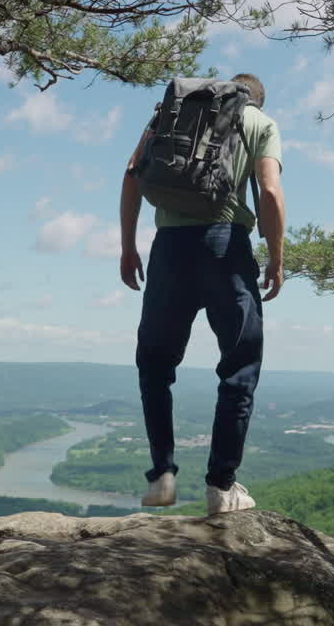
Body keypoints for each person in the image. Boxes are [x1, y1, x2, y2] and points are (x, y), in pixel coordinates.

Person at [118, 73, 286, 516]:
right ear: (257, 99)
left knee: (155, 363)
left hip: (169, 249)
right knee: (239, 365)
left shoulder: (176, 112)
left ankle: (162, 475)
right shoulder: (260, 124)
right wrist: (277, 258)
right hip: (225, 247)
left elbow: (133, 173)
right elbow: (269, 191)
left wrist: (127, 247)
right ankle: (221, 486)